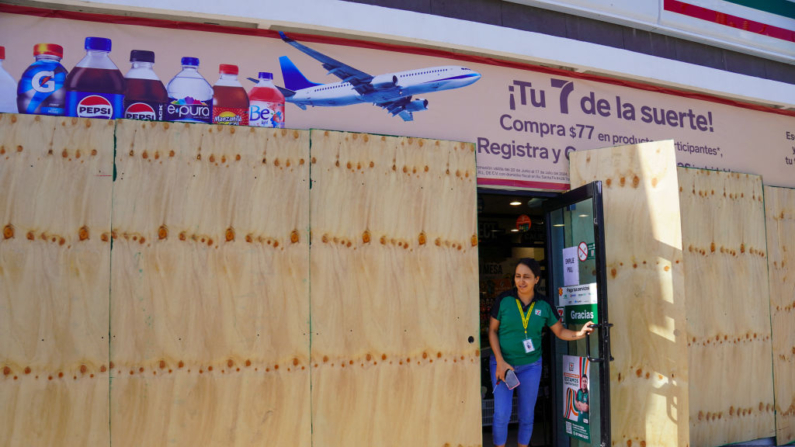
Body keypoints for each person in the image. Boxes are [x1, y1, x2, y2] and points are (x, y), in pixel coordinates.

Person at [488, 258, 594, 447]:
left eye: (526, 277)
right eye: (518, 276)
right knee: (501, 414)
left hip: (531, 366)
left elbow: (560, 331)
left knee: (527, 416)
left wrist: (580, 333)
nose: (521, 281)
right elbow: (492, 331)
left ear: (537, 279)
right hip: (502, 364)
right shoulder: (504, 300)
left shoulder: (544, 304)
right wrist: (500, 361)